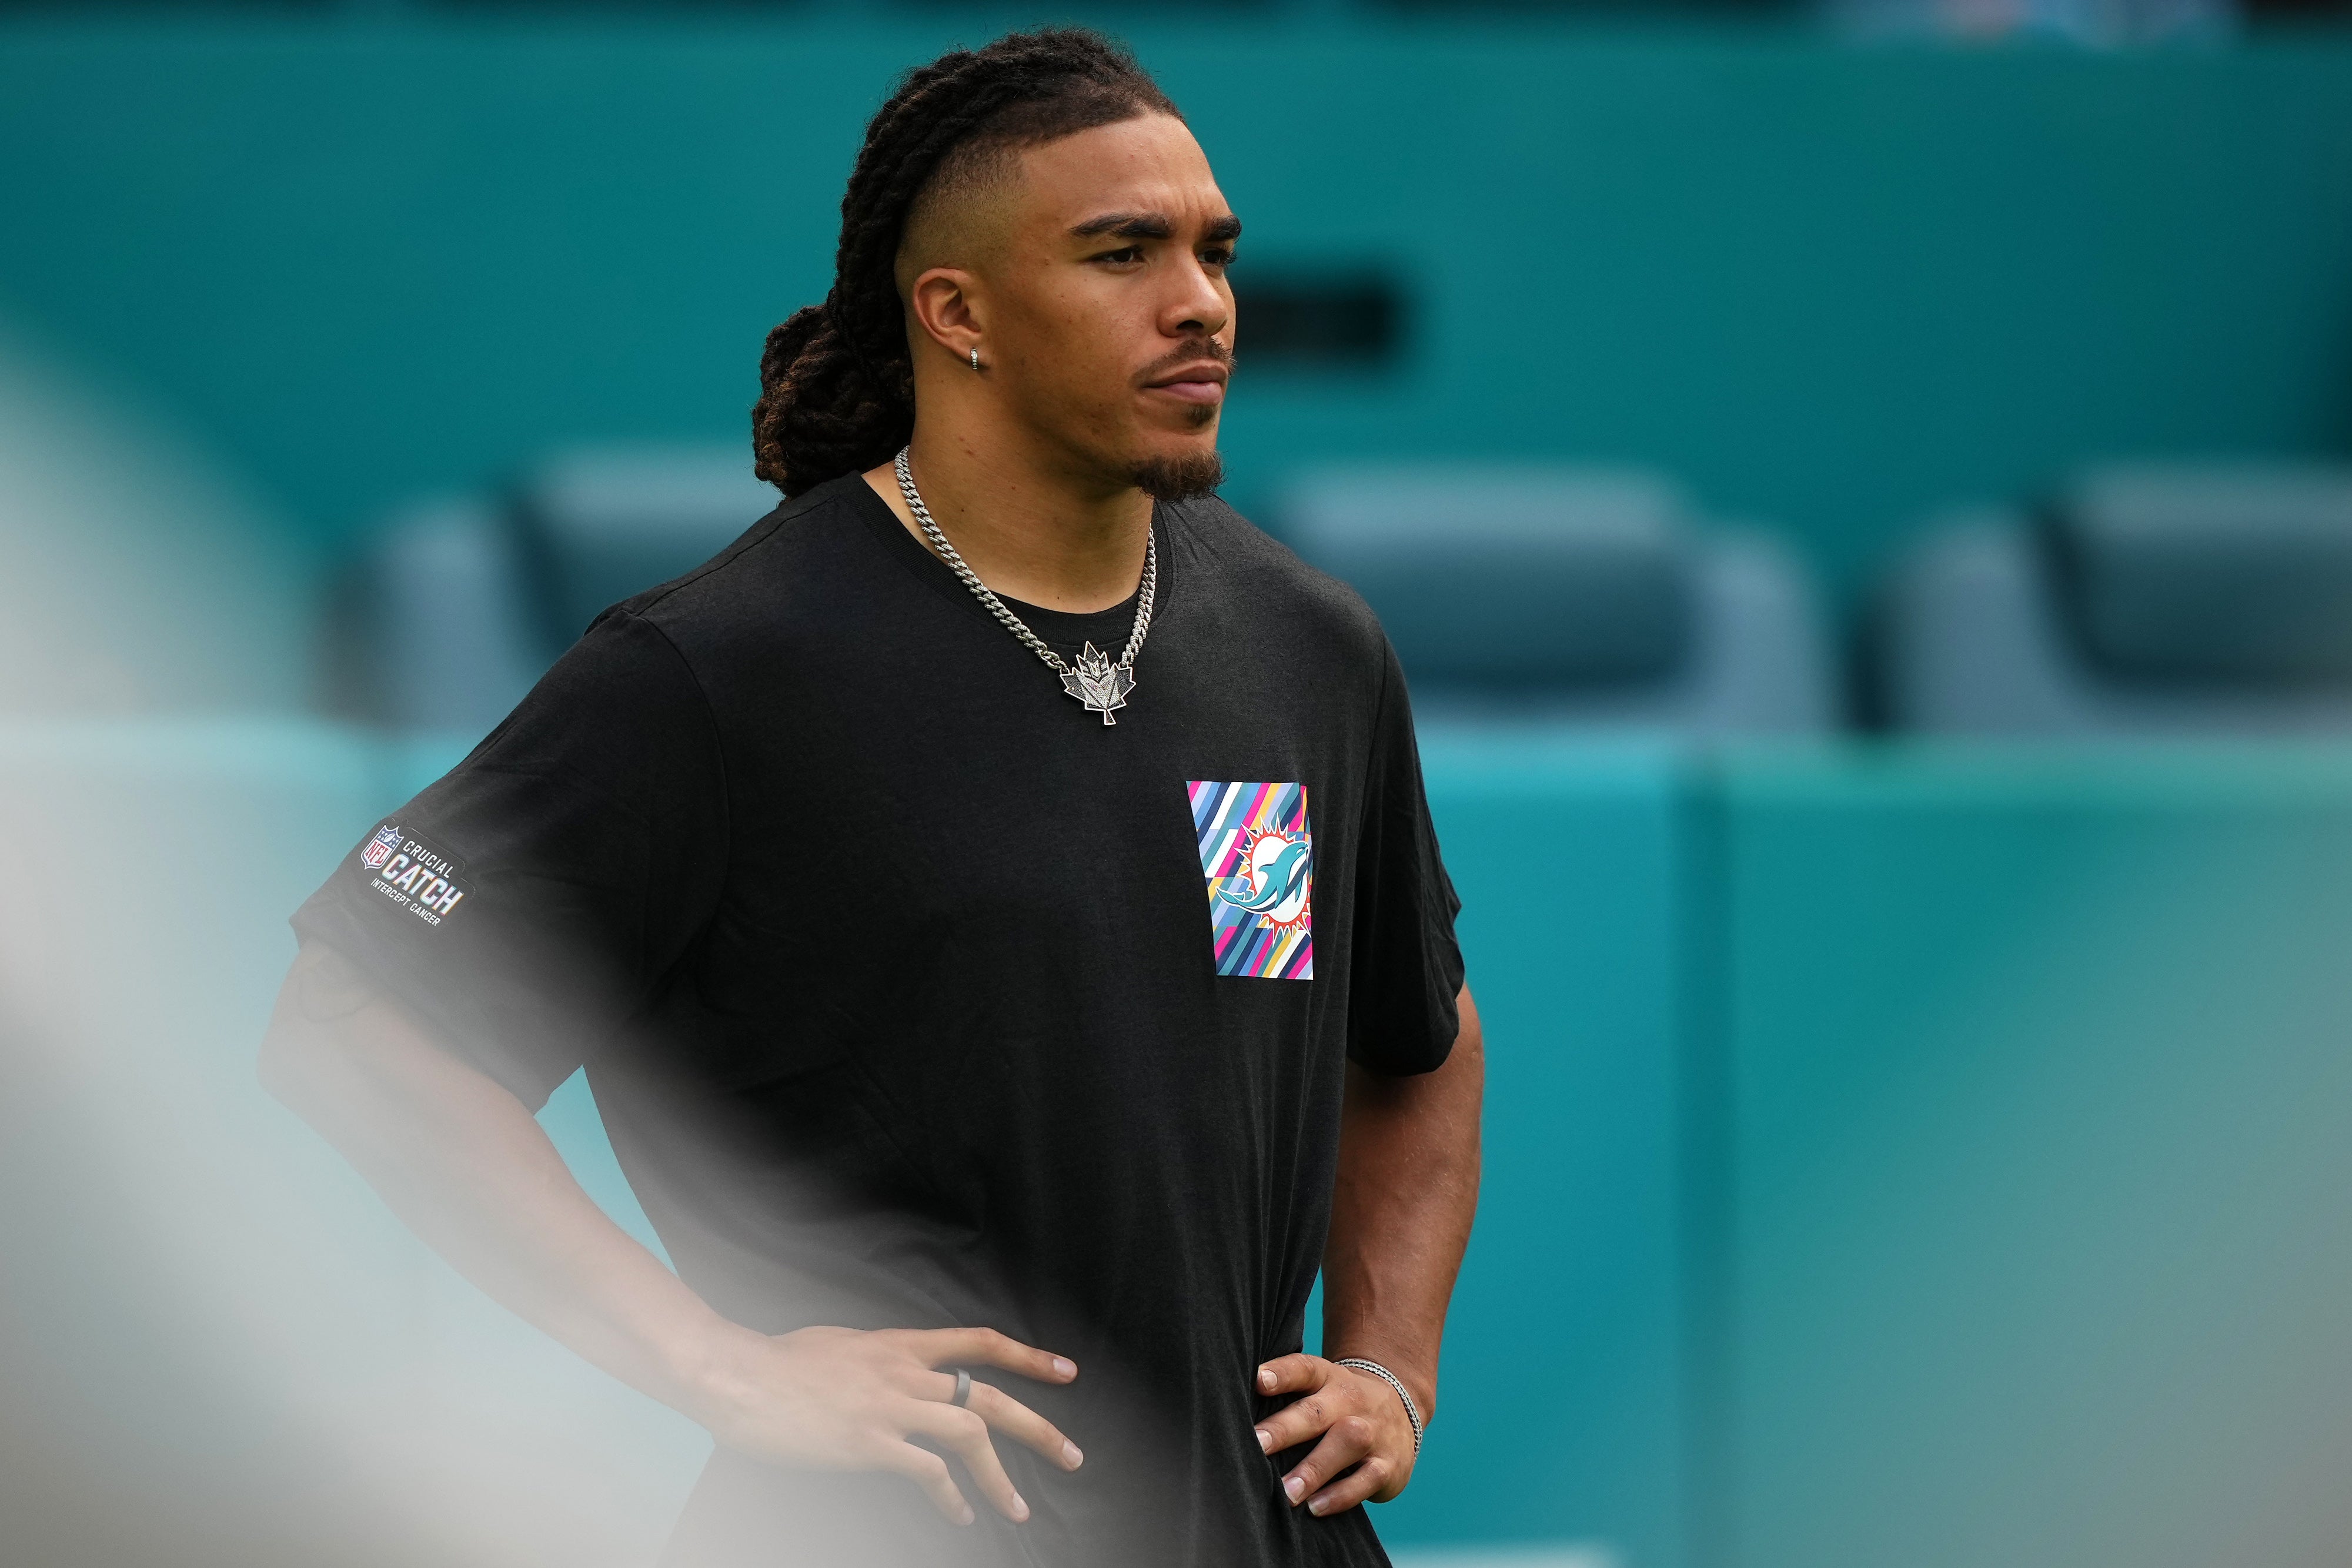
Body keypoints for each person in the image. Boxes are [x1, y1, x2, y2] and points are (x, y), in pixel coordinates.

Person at [259, 28, 1481, 1568]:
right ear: (954, 314)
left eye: (1213, 252)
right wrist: (716, 1363)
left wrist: (1391, 1363)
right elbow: (358, 1021)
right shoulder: (715, 671)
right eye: (1124, 253)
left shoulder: (1313, 649)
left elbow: (1422, 1031)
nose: (1202, 305)